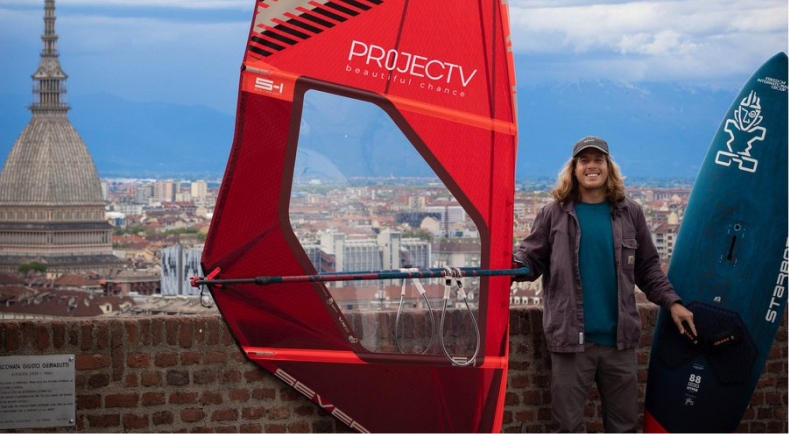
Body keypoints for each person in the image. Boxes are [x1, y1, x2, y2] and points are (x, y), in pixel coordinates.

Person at [513, 136, 697, 434]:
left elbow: (647, 268)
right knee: (567, 427)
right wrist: (507, 267)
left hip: (618, 341)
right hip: (570, 340)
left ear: (608, 167)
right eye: (584, 161)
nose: (592, 166)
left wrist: (672, 302)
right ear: (574, 169)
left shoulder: (630, 213)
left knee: (624, 427)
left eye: (598, 160)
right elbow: (530, 260)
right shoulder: (552, 213)